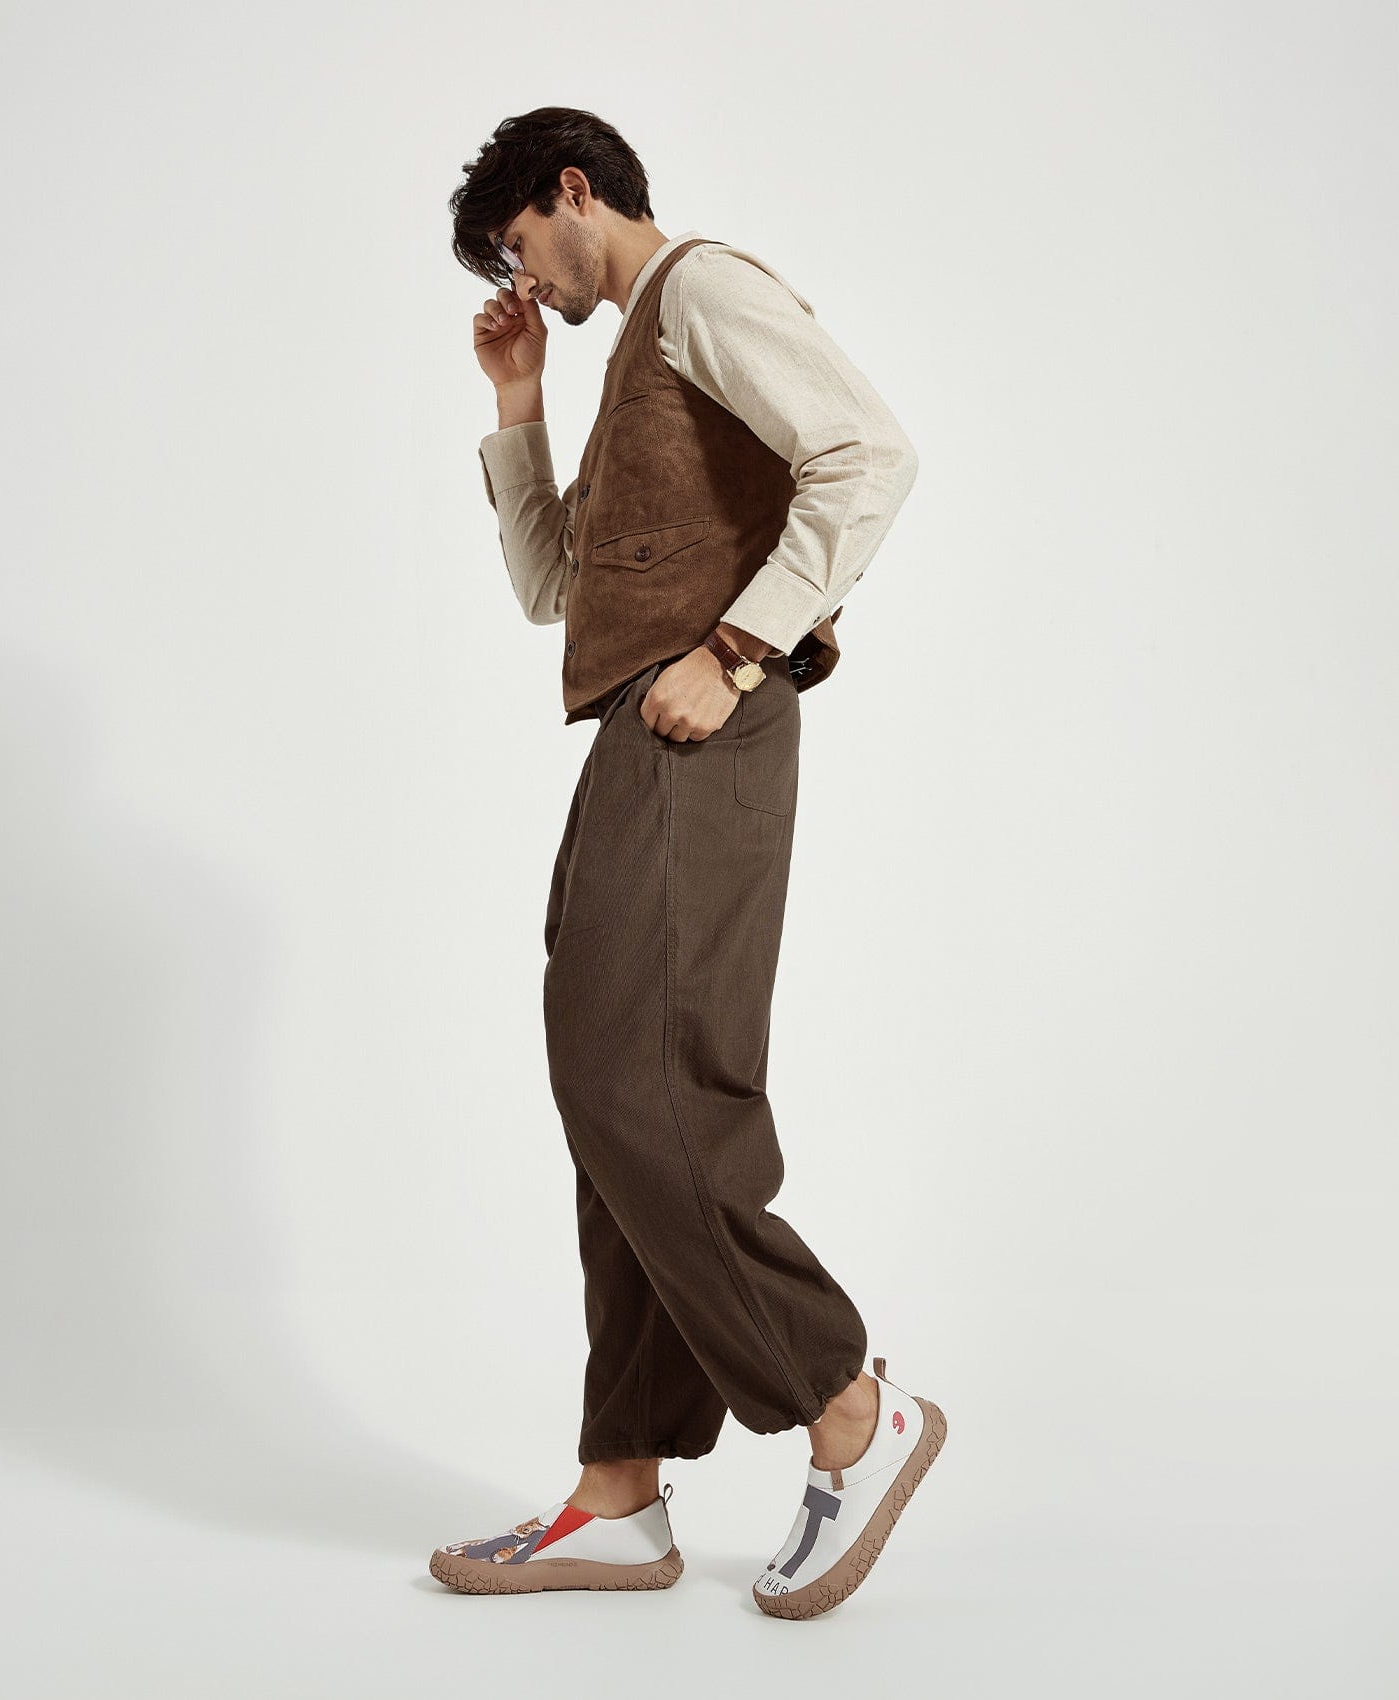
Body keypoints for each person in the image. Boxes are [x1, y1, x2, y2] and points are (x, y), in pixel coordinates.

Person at [431, 107, 943, 1620]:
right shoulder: (626, 366)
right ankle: (622, 1488)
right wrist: (520, 402)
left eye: (520, 247)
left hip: (699, 720)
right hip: (639, 728)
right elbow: (555, 590)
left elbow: (870, 455)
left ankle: (846, 1403)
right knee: (613, 1092)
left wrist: (736, 649)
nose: (525, 280)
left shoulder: (701, 290)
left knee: (638, 1079)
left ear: (573, 189)